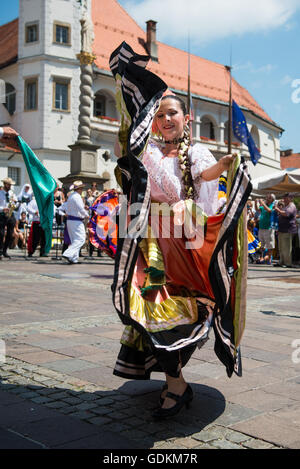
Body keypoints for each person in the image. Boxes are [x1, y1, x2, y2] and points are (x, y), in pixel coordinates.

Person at [113, 93, 243, 419]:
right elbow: (122, 157)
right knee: (150, 312)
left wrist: (225, 165)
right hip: (152, 247)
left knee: (178, 318)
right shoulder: (149, 151)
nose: (166, 120)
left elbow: (207, 174)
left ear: (187, 117)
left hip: (186, 246)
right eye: (160, 116)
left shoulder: (197, 152)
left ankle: (176, 385)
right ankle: (176, 384)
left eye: (172, 113)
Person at [62, 180, 89, 264]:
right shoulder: (77, 197)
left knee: (75, 240)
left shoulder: (71, 196)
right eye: (81, 189)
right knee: (81, 239)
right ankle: (68, 253)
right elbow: (81, 209)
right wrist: (86, 214)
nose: (82, 190)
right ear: (79, 189)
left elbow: (75, 207)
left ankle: (74, 258)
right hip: (76, 221)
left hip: (71, 220)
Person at [274, 193, 297, 268]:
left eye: (286, 198)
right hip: (282, 229)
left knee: (286, 247)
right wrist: (278, 206)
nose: (284, 199)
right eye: (284, 198)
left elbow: (287, 214)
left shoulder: (292, 206)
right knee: (281, 247)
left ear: (291, 198)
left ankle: (288, 263)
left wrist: (278, 210)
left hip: (288, 229)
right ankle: (281, 261)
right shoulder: (286, 206)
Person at [0, 177, 18, 260]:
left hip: (11, 214)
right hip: (2, 214)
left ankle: (5, 250)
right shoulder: (0, 193)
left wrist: (15, 202)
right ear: (5, 184)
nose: (10, 186)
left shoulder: (12, 193)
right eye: (9, 184)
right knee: (1, 233)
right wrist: (2, 208)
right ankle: (0, 251)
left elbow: (16, 204)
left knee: (10, 234)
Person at [255, 193, 276, 264]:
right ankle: (262, 257)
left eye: (269, 197)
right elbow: (257, 209)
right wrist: (256, 202)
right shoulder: (265, 205)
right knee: (261, 244)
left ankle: (267, 258)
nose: (267, 198)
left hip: (268, 228)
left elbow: (269, 211)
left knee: (270, 245)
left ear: (272, 199)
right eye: (267, 197)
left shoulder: (273, 205)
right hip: (261, 227)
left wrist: (262, 203)